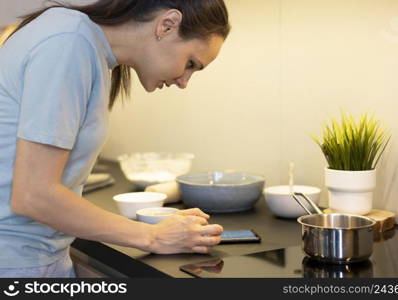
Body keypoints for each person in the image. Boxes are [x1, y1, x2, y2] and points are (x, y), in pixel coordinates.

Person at [0, 0, 231, 278]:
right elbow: (34, 196)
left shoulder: (81, 42)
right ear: (167, 24)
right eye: (191, 63)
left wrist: (159, 229)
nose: (184, 81)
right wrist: (153, 236)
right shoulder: (69, 42)